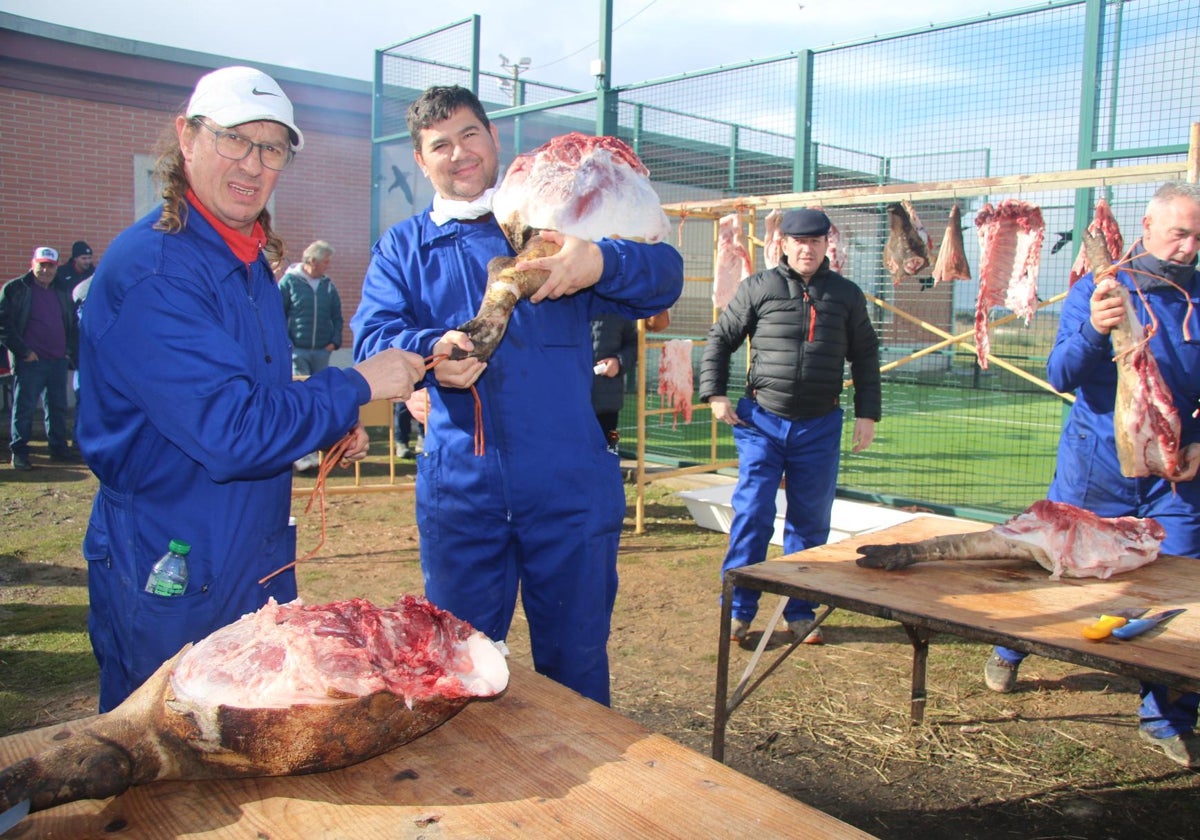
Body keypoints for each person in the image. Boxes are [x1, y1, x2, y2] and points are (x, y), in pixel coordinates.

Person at [75, 65, 426, 712]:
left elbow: (243, 387)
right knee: (168, 746)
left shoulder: (239, 255)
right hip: (173, 551)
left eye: (272, 148)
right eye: (234, 139)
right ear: (187, 137)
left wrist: (324, 420)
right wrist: (356, 385)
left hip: (251, 544)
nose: (253, 164)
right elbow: (231, 431)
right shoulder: (157, 271)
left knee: (253, 730)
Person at [351, 85, 683, 706]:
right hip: (461, 491)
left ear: (493, 138)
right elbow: (373, 331)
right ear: (421, 162)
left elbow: (662, 276)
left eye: (469, 134)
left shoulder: (554, 222)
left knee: (576, 660)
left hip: (568, 482)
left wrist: (600, 262)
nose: (459, 154)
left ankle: (583, 793)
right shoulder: (404, 246)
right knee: (460, 662)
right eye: (439, 145)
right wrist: (431, 350)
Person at [983, 181, 1200, 768]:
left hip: (1173, 475)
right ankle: (1011, 648)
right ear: (1147, 226)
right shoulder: (1098, 289)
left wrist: (1199, 439)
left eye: (1198, 236)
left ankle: (1167, 716)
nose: (1188, 247)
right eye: (1179, 232)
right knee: (1056, 565)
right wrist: (1095, 329)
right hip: (1096, 465)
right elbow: (1060, 373)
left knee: (1181, 590)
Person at [699, 208, 881, 646]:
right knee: (753, 513)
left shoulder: (846, 295)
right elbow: (720, 339)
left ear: (826, 246)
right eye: (799, 241)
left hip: (819, 424)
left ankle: (799, 609)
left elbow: (866, 355)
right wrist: (715, 394)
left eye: (816, 241)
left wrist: (867, 413)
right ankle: (738, 610)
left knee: (811, 521)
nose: (807, 248)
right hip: (761, 419)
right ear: (782, 244)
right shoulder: (757, 288)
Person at [0, 246, 80, 470]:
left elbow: (73, 324)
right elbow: (3, 325)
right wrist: (24, 352)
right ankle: (20, 452)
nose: (45, 270)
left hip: (57, 360)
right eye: (41, 265)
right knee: (24, 409)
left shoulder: (63, 290)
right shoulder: (16, 289)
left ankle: (58, 449)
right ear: (33, 263)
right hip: (30, 361)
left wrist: (68, 351)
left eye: (50, 266)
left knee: (58, 408)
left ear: (56, 268)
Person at [279, 240, 344, 471]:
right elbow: (276, 315)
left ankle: (321, 451)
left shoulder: (327, 286)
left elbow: (337, 316)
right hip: (297, 351)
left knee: (321, 400)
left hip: (321, 351)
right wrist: (287, 345)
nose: (328, 266)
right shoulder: (289, 282)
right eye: (325, 261)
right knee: (301, 400)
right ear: (312, 260)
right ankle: (302, 454)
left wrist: (334, 341)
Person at [591, 313, 637, 453]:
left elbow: (634, 344)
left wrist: (619, 362)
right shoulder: (564, 304)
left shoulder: (617, 307)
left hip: (606, 403)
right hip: (569, 402)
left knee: (609, 451)